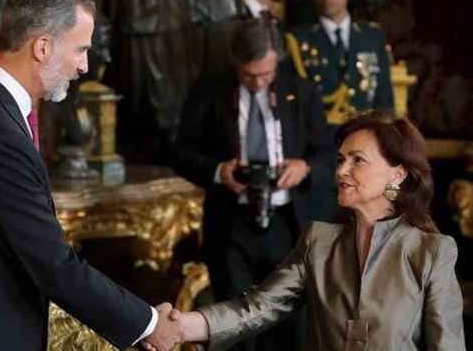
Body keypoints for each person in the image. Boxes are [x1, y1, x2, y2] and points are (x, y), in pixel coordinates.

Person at [0, 0, 180, 350]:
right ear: (42, 47)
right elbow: (52, 263)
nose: (85, 67)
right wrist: (148, 324)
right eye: (80, 50)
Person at [164, 112, 466, 351]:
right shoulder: (318, 242)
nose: (340, 171)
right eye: (341, 160)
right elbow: (256, 308)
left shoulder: (431, 252)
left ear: (397, 174)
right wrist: (180, 325)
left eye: (357, 160)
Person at [171, 19, 334, 351]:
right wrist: (219, 170)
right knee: (237, 326)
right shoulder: (209, 92)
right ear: (236, 64)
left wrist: (305, 167)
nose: (259, 83)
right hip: (232, 226)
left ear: (277, 62)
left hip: (290, 225)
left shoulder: (302, 91)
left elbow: (329, 152)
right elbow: (179, 152)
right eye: (249, 76)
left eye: (266, 75)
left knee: (295, 326)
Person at [286, 0, 394, 126]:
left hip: (365, 133)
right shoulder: (299, 40)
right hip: (321, 136)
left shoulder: (372, 37)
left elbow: (384, 100)